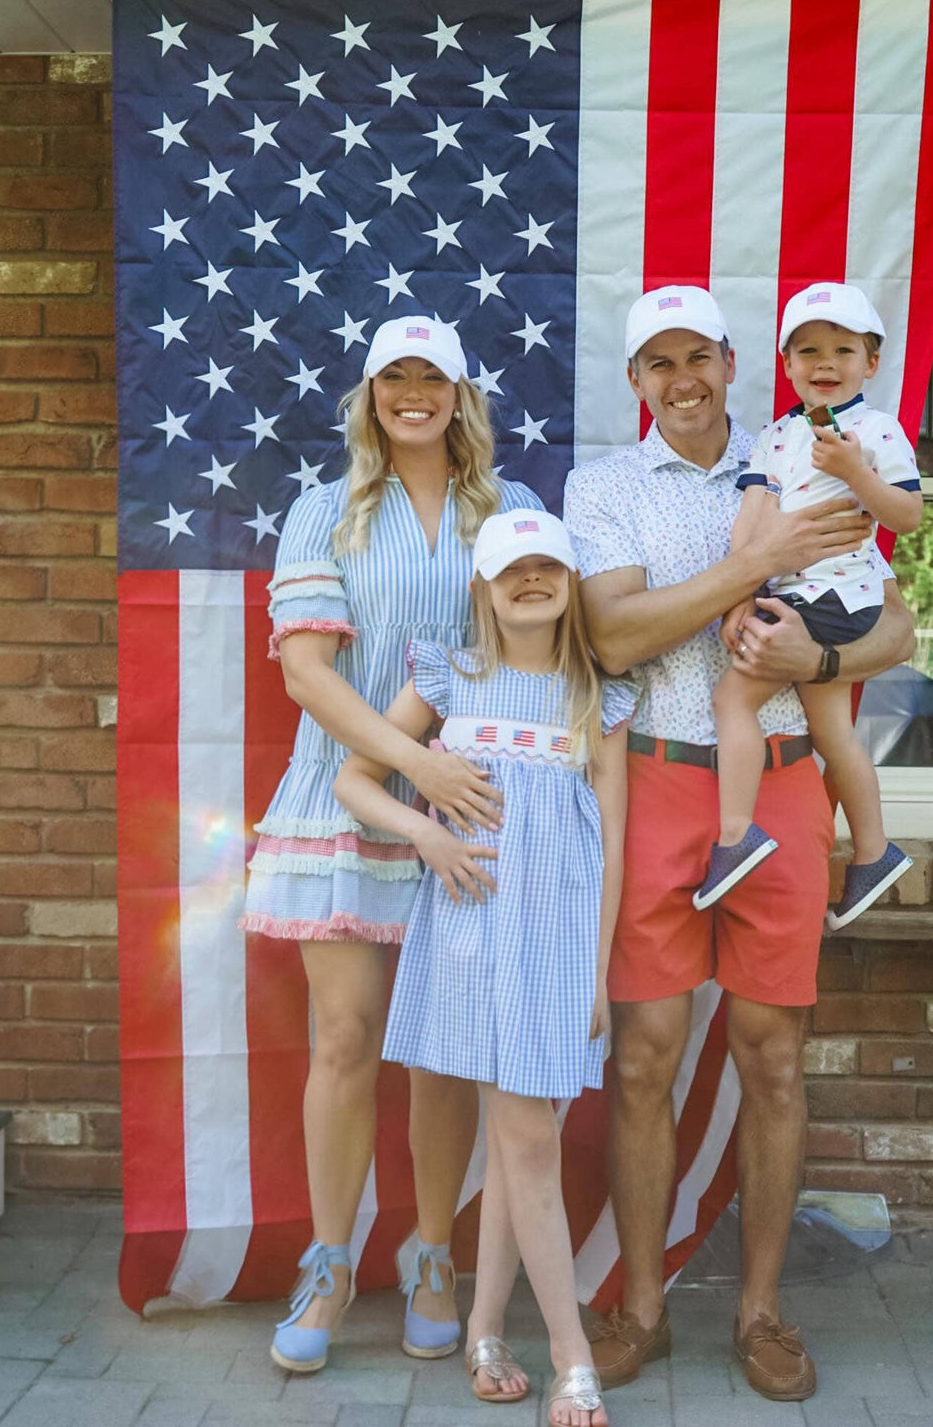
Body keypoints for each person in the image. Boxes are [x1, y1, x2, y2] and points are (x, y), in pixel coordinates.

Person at [562, 285, 914, 1404]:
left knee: (771, 1054)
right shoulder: (603, 485)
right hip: (661, 780)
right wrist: (759, 565)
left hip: (784, 786)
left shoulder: (810, 448)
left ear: (728, 359)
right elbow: (615, 634)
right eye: (656, 363)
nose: (682, 379)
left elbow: (893, 624)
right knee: (643, 1057)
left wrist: (817, 664)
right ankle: (643, 1306)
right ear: (636, 381)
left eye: (698, 356)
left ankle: (761, 1312)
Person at [239, 315, 544, 1374]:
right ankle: (327, 1260)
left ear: (463, 394)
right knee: (345, 1034)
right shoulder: (323, 511)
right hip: (345, 798)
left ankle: (431, 1255)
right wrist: (413, 771)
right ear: (369, 394)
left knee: (447, 1046)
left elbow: (540, 653)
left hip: (474, 806)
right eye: (394, 377)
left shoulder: (512, 512)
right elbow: (308, 674)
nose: (414, 392)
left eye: (434, 377)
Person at [335, 508, 635, 1427]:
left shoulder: (598, 696)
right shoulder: (452, 677)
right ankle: (572, 1355)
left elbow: (612, 841)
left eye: (549, 567)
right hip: (472, 933)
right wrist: (425, 830)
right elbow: (353, 778)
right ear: (483, 588)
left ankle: (488, 1330)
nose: (532, 582)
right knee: (526, 1138)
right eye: (513, 571)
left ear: (570, 582)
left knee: (522, 1140)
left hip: (555, 942)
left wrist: (595, 972)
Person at [701, 282, 922, 925]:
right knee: (834, 734)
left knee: (731, 698)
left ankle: (736, 834)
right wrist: (739, 594)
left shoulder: (877, 432)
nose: (825, 364)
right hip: (790, 590)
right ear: (788, 364)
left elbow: (905, 516)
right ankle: (873, 854)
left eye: (843, 350)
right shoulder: (775, 437)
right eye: (808, 351)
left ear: (871, 363)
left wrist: (857, 474)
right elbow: (753, 517)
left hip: (838, 592)